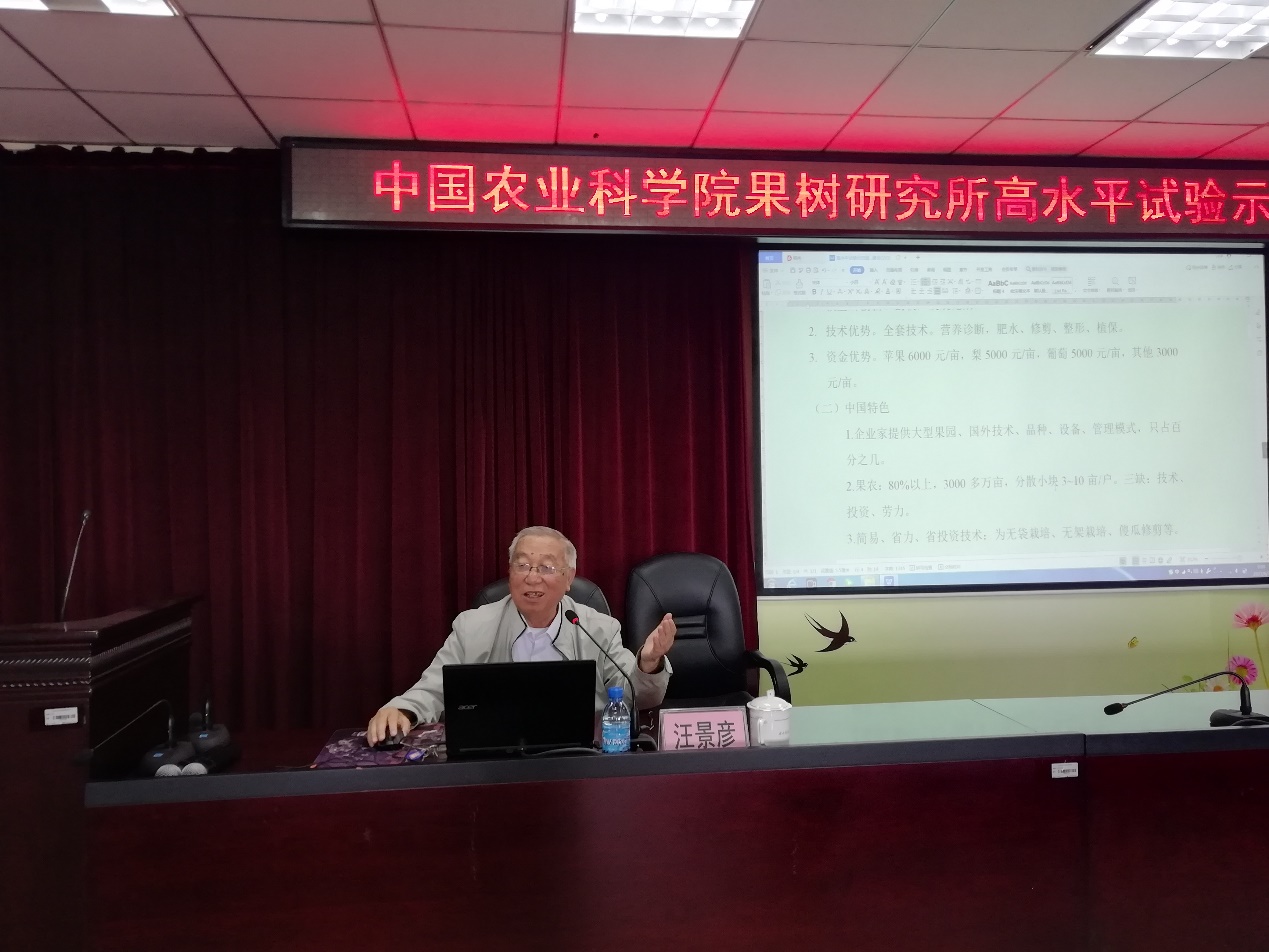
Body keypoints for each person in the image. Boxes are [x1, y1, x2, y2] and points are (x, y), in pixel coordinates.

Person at [366, 526, 676, 744]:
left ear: (569, 578)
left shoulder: (597, 627)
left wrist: (649, 662)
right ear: (510, 572)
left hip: (577, 757)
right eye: (523, 565)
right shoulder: (473, 626)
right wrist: (402, 709)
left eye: (546, 568)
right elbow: (434, 688)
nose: (532, 577)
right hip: (493, 755)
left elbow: (636, 696)